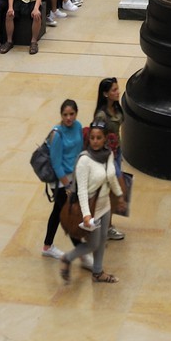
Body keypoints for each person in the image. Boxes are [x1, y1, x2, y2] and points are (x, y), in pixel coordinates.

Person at [59, 122, 125, 285]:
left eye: (99, 138)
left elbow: (111, 177)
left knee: (102, 240)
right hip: (91, 208)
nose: (95, 141)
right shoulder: (84, 161)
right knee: (93, 243)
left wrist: (120, 195)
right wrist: (87, 215)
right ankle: (67, 258)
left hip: (105, 206)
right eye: (92, 138)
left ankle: (98, 272)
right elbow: (81, 190)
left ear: (104, 140)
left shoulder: (108, 154)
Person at [41, 98, 84, 260]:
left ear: (76, 114)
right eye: (65, 114)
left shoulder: (78, 127)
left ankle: (47, 246)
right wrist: (67, 186)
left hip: (73, 178)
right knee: (69, 215)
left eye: (72, 114)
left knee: (58, 212)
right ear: (61, 115)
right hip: (60, 181)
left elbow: (79, 151)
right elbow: (56, 163)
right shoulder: (57, 134)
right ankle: (82, 253)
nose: (68, 118)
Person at [94, 76, 127, 241]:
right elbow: (96, 138)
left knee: (114, 191)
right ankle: (107, 226)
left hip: (117, 152)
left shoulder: (116, 107)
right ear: (105, 94)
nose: (118, 91)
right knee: (115, 190)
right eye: (114, 89)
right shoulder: (101, 115)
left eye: (117, 88)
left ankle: (106, 223)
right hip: (108, 156)